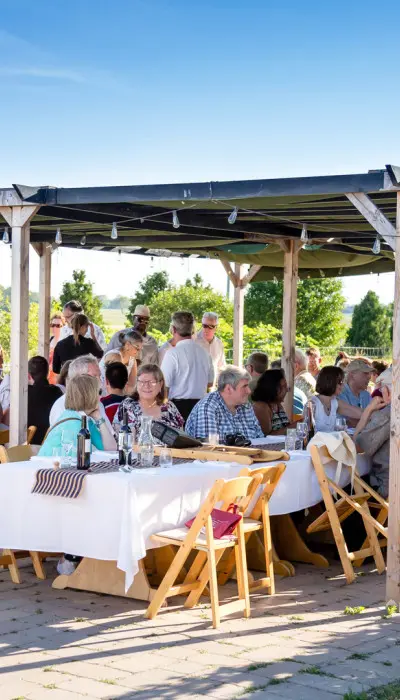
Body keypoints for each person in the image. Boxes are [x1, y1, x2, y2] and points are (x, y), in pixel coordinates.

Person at [49, 355, 116, 450]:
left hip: (96, 462)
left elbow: (112, 449)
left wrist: (98, 417)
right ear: (78, 379)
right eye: (94, 376)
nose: (100, 381)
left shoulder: (96, 404)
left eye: (100, 376)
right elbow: (69, 451)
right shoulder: (63, 407)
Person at [40, 374, 116, 455]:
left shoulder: (83, 419)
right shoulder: (73, 423)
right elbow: (76, 462)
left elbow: (111, 449)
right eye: (99, 392)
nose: (101, 397)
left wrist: (99, 418)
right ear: (89, 395)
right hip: (49, 467)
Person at [161, 311, 214, 421]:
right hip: (200, 408)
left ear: (173, 329)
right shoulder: (205, 353)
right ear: (193, 330)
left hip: (178, 408)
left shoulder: (172, 353)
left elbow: (164, 386)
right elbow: (210, 383)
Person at [186, 366, 263, 440]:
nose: (249, 391)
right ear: (228, 389)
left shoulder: (245, 405)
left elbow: (260, 439)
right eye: (244, 386)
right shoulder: (208, 407)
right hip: (221, 453)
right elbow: (208, 448)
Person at [117, 364, 184, 437]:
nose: (147, 386)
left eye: (152, 382)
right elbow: (126, 440)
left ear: (160, 384)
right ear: (137, 383)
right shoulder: (128, 405)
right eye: (142, 382)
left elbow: (181, 437)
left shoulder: (169, 407)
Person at [354, 378, 391, 498]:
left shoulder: (389, 414)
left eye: (381, 388)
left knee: (339, 488)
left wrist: (368, 410)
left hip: (387, 488)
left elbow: (357, 447)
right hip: (392, 486)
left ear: (387, 391)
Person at [310, 366, 365, 432]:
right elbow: (306, 431)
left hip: (331, 441)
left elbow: (360, 413)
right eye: (341, 382)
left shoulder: (334, 402)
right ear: (330, 382)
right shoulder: (312, 404)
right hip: (317, 442)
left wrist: (376, 412)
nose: (343, 385)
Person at [27, 356, 63, 445]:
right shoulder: (57, 391)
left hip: (27, 443)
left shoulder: (24, 393)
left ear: (29, 375)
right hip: (51, 441)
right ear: (47, 373)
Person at [252, 369, 299, 435]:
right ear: (273, 388)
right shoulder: (261, 406)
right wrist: (295, 426)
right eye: (284, 386)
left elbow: (284, 428)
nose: (287, 389)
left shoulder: (277, 405)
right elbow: (267, 436)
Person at [100, 329, 142, 394]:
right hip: (101, 393)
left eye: (140, 349)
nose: (139, 352)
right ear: (128, 345)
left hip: (117, 394)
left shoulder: (132, 360)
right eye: (137, 348)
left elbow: (132, 385)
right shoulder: (115, 356)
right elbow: (115, 384)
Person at [196, 312, 226, 381]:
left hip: (213, 387)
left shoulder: (219, 343)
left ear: (216, 328)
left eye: (211, 326)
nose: (207, 329)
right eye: (204, 326)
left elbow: (221, 367)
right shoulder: (193, 341)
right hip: (195, 386)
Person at [48, 313, 65, 384]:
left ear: (63, 327)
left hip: (58, 378)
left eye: (58, 326)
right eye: (52, 325)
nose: (54, 328)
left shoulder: (64, 342)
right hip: (47, 377)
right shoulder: (49, 340)